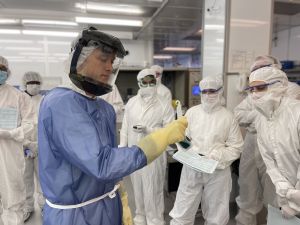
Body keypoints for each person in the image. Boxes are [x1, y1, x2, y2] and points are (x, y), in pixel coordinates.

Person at [38, 27, 187, 225]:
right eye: (103, 59)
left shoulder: (103, 108)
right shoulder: (61, 104)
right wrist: (162, 137)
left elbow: (108, 157)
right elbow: (103, 164)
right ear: (79, 59)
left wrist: (116, 187)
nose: (109, 67)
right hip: (76, 215)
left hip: (106, 203)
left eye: (112, 61)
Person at [235, 55, 300, 225]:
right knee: (249, 187)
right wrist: (259, 116)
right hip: (254, 143)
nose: (255, 94)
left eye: (264, 67)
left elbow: (279, 113)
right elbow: (239, 114)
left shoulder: (288, 91)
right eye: (255, 69)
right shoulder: (258, 93)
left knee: (275, 193)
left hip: (285, 144)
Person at [169, 75, 243, 225]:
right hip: (192, 168)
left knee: (217, 216)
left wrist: (216, 156)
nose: (208, 95)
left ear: (220, 91)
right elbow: (182, 138)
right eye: (204, 92)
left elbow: (237, 147)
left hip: (217, 171)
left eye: (212, 91)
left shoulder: (228, 117)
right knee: (182, 211)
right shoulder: (192, 113)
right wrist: (190, 152)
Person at [119, 68, 174, 225]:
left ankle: (155, 220)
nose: (149, 84)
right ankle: (140, 216)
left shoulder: (164, 105)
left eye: (152, 81)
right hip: (134, 152)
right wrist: (123, 147)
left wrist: (148, 130)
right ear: (139, 83)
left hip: (154, 155)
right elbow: (125, 127)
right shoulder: (131, 104)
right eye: (145, 81)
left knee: (154, 190)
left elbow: (169, 132)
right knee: (138, 187)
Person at [0, 56, 35, 225]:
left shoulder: (18, 96)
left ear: (7, 72)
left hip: (10, 156)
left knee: (13, 200)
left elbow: (30, 124)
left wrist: (12, 133)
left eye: (1, 69)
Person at [22, 71, 45, 221]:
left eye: (37, 83)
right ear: (25, 84)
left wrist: (39, 144)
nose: (34, 85)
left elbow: (46, 123)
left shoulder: (44, 100)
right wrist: (27, 144)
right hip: (22, 146)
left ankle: (44, 207)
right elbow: (15, 123)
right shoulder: (19, 99)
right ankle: (27, 207)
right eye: (31, 83)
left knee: (42, 178)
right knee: (25, 178)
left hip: (41, 146)